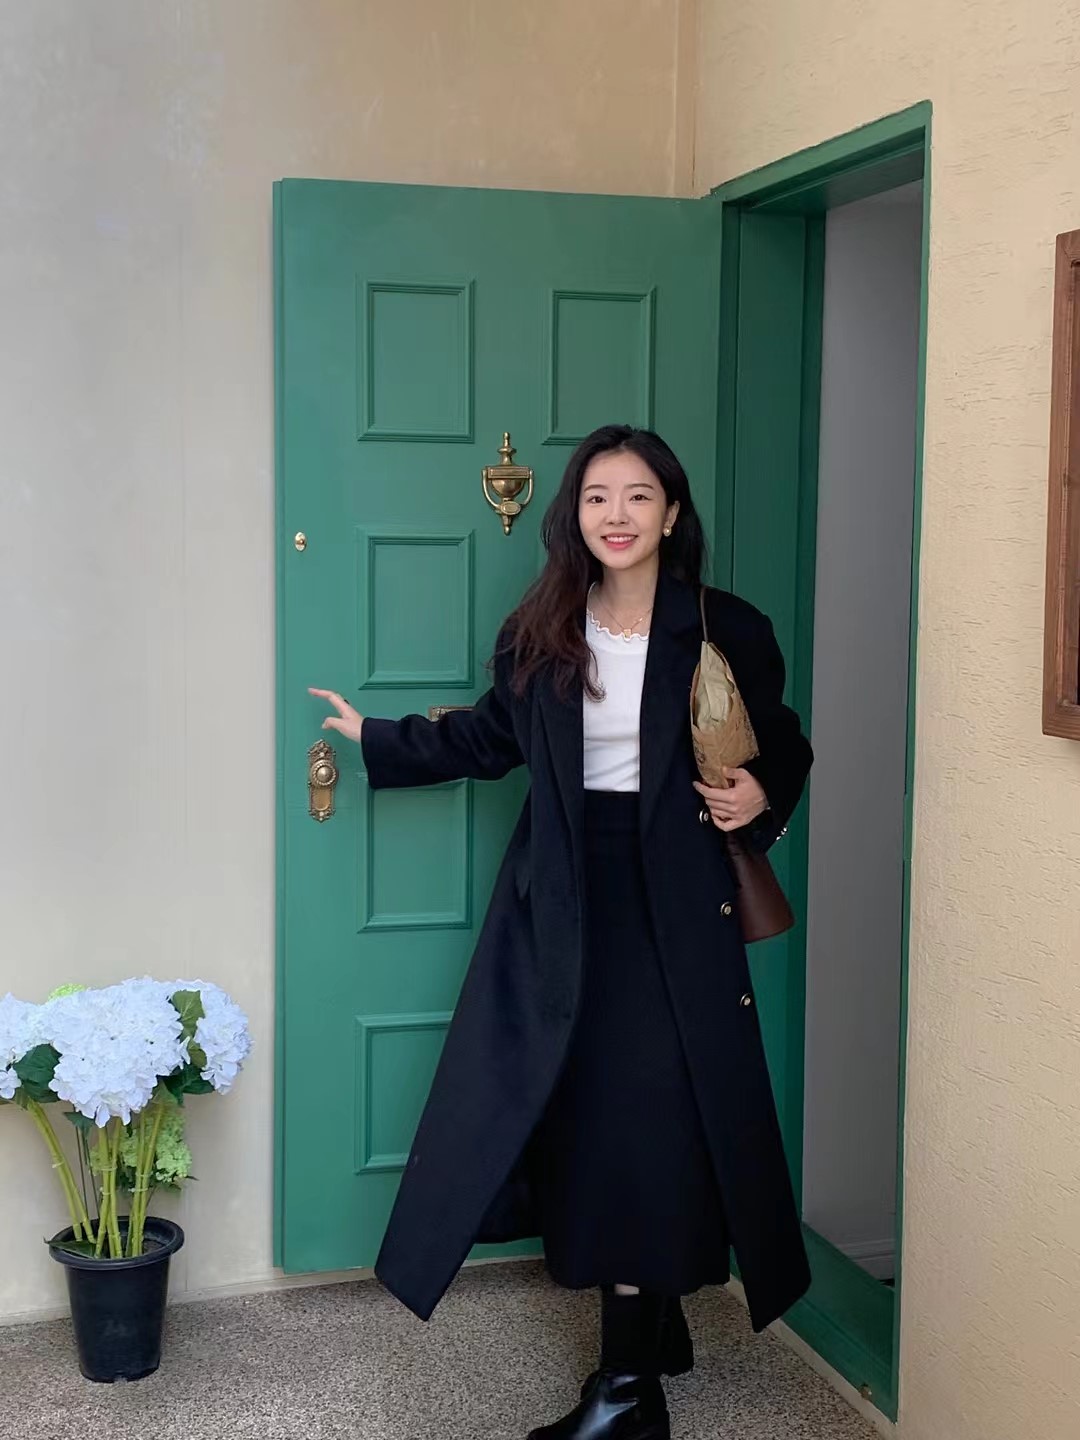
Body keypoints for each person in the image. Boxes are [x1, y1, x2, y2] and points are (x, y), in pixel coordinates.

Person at [310, 424, 813, 1440]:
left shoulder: (726, 627)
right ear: (572, 516)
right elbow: (490, 736)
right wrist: (377, 740)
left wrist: (762, 791)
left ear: (672, 513)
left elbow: (785, 742)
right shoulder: (542, 629)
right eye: (596, 497)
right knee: (597, 1122)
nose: (616, 516)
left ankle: (627, 1394)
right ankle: (651, 1336)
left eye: (637, 496)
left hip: (680, 907)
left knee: (655, 1122)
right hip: (569, 907)